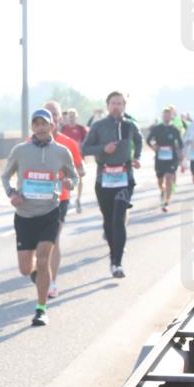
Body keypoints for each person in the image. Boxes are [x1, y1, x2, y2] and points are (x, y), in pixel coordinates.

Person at [2, 109, 78, 325]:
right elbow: (5, 175)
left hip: (49, 212)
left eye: (44, 124)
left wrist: (70, 183)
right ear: (32, 127)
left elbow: (73, 176)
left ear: (52, 126)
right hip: (25, 215)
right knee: (25, 268)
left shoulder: (61, 151)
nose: (41, 128)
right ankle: (38, 275)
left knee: (44, 259)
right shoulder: (20, 150)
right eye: (36, 124)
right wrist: (12, 193)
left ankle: (41, 309)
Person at [81, 91, 143, 279]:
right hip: (104, 178)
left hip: (125, 178)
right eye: (113, 103)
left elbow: (139, 141)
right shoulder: (99, 126)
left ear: (124, 106)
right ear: (108, 106)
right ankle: (113, 254)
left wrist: (137, 157)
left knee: (119, 218)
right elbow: (85, 148)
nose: (116, 106)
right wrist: (103, 149)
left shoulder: (130, 125)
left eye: (119, 103)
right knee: (108, 220)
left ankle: (117, 263)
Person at [39, 101, 85, 299]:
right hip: (35, 199)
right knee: (37, 242)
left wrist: (73, 176)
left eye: (55, 114)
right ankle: (39, 270)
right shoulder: (29, 142)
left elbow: (80, 168)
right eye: (47, 114)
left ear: (59, 118)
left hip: (60, 198)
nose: (51, 118)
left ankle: (52, 282)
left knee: (53, 240)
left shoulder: (69, 143)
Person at [146, 107, 184, 212]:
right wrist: (153, 146)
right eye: (165, 115)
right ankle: (162, 190)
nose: (167, 117)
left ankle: (166, 202)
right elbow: (148, 140)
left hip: (171, 158)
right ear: (162, 116)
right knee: (160, 180)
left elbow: (180, 143)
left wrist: (180, 153)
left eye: (169, 115)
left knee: (168, 178)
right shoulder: (157, 128)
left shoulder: (175, 129)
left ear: (171, 116)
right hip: (160, 158)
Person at [61, 108, 89, 213]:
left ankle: (78, 199)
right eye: (70, 116)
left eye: (73, 116)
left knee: (80, 178)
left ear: (77, 117)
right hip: (66, 158)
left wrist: (82, 148)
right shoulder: (63, 129)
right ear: (67, 117)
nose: (71, 118)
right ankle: (67, 198)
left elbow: (87, 141)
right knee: (67, 178)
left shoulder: (81, 129)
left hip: (78, 157)